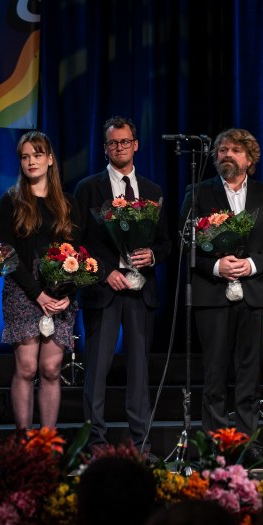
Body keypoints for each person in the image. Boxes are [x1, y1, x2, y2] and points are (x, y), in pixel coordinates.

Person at [179, 128, 263, 461]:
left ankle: (248, 446)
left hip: (256, 295)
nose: (227, 155)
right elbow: (187, 243)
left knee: (249, 377)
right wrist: (216, 267)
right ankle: (213, 446)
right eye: (222, 150)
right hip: (212, 296)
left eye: (235, 150)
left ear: (250, 159)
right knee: (213, 376)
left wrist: (252, 265)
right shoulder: (197, 193)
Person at [73, 116, 171, 450]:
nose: (120, 147)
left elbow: (167, 242)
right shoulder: (88, 189)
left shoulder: (154, 191)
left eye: (125, 141)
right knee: (96, 372)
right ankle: (95, 443)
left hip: (141, 291)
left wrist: (152, 256)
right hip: (104, 291)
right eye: (113, 143)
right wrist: (104, 271)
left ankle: (140, 445)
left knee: (139, 372)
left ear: (136, 145)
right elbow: (77, 243)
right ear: (105, 148)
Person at [0, 131, 80, 429]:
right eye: (25, 156)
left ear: (50, 159)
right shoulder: (11, 201)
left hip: (61, 293)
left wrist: (69, 292)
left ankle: (47, 441)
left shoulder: (68, 203)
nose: (31, 161)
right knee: (28, 367)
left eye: (37, 155)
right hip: (23, 290)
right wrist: (37, 294)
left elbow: (79, 255)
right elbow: (8, 256)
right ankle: (24, 441)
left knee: (51, 368)